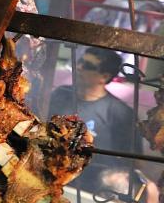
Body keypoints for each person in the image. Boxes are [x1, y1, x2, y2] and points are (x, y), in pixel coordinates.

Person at [49, 47, 144, 194]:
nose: (79, 67)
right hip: (50, 176)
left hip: (93, 190)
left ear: (104, 77)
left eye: (88, 66)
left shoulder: (121, 113)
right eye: (80, 61)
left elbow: (133, 162)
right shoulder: (61, 94)